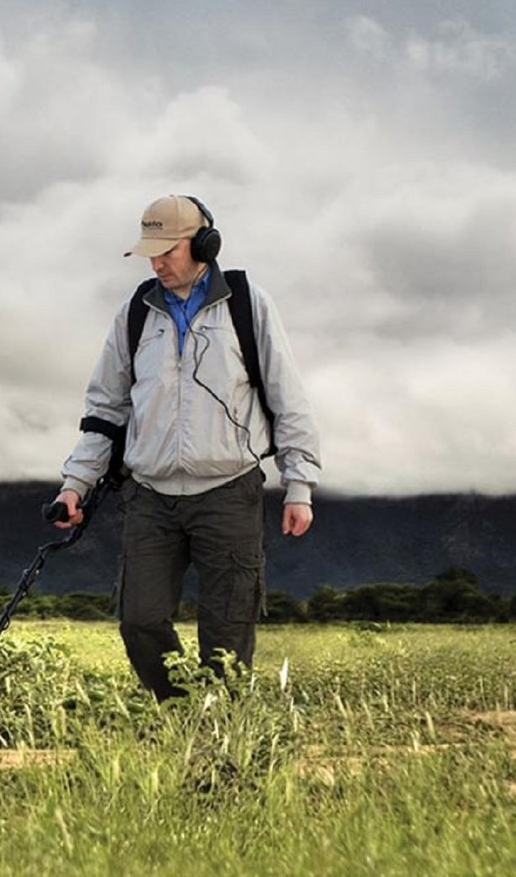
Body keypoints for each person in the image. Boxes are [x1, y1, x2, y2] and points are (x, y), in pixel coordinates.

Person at [51, 194, 321, 700]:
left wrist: (299, 484)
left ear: (203, 244)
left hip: (228, 491)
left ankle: (218, 737)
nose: (156, 263)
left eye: (167, 251)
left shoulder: (246, 303)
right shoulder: (135, 313)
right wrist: (75, 485)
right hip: (150, 496)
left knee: (226, 634)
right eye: (149, 253)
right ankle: (180, 714)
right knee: (140, 620)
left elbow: (288, 395)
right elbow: (105, 409)